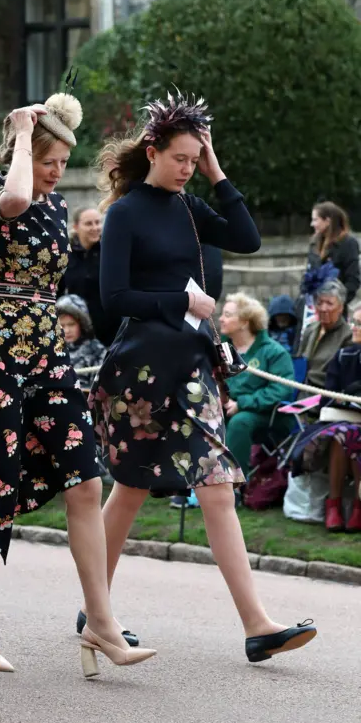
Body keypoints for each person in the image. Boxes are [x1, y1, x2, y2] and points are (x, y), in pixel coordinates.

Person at [88, 91, 316, 663]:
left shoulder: (191, 206)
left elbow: (248, 238)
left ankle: (258, 625)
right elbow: (112, 298)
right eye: (182, 159)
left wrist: (217, 172)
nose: (188, 168)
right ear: (152, 150)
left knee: (216, 485)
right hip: (138, 370)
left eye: (196, 159)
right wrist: (182, 299)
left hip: (193, 369)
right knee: (131, 490)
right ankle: (97, 610)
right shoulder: (123, 213)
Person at [0, 92, 157, 677]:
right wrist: (20, 130)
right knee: (0, 490)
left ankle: (101, 623)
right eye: (49, 160)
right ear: (24, 151)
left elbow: (39, 209)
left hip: (47, 349)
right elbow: (14, 197)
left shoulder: (57, 206)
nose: (57, 171)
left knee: (87, 479)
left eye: (63, 162)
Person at [290, 304, 361, 533]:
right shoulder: (343, 355)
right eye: (354, 323)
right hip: (343, 421)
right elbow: (327, 398)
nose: (354, 328)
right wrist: (344, 399)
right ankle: (335, 506)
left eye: (360, 324)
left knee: (350, 436)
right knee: (344, 435)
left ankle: (356, 506)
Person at [218, 292, 294, 473]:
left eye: (227, 315)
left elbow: (281, 390)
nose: (220, 319)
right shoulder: (224, 349)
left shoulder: (273, 352)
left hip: (268, 414)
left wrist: (242, 403)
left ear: (245, 322)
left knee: (239, 422)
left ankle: (233, 487)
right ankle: (193, 483)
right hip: (229, 408)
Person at [62, 206, 121, 346]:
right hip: (78, 333)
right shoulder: (65, 255)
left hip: (111, 329)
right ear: (76, 226)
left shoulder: (111, 251)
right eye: (89, 223)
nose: (95, 227)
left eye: (98, 222)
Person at [298, 279, 352, 391]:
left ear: (341, 307)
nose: (323, 308)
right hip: (301, 388)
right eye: (320, 302)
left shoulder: (348, 336)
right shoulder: (311, 329)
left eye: (329, 303)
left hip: (325, 394)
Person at [307, 202, 359, 307]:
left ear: (327, 221)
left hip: (336, 309)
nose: (311, 224)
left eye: (315, 220)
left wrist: (335, 304)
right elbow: (308, 275)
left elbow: (353, 281)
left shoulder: (348, 243)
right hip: (314, 307)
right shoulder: (314, 244)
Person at [57, 294, 107, 374]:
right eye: (62, 325)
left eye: (71, 324)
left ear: (82, 324)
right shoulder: (49, 351)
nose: (66, 330)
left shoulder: (96, 351)